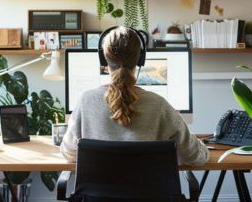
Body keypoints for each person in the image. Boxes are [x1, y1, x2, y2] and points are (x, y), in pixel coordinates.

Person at [61, 27, 209, 166]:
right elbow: (194, 156)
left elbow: (69, 153)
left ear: (103, 59)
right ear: (140, 59)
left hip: (93, 194)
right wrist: (203, 147)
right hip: (149, 194)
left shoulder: (86, 102)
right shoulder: (159, 105)